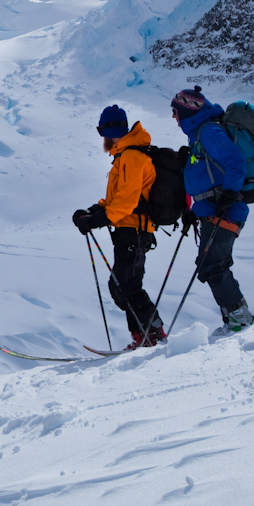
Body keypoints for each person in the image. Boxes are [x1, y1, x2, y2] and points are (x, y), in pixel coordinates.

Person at [72, 105, 167, 349]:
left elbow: (126, 202)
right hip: (128, 230)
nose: (101, 137)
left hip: (134, 231)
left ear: (109, 129)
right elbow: (119, 198)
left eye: (100, 130)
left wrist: (96, 220)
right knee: (122, 286)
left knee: (126, 286)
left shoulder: (132, 158)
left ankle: (152, 335)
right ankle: (144, 335)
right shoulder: (125, 156)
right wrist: (94, 210)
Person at [171, 86, 254, 335]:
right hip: (214, 209)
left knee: (214, 265)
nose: (174, 118)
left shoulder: (209, 131)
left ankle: (240, 319)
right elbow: (205, 178)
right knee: (212, 264)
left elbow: (235, 162)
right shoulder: (198, 134)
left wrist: (229, 195)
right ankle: (234, 319)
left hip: (226, 209)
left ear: (188, 110)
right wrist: (194, 211)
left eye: (176, 112)